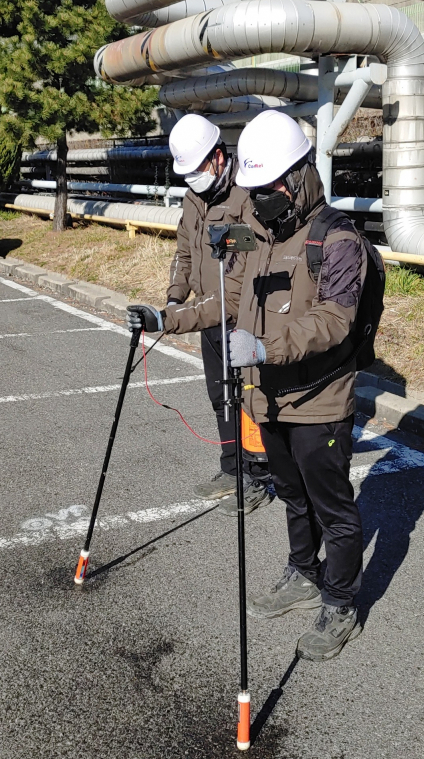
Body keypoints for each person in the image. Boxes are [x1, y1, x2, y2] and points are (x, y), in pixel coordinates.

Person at [225, 109, 369, 662]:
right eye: (254, 191)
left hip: (319, 399)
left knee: (332, 506)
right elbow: (234, 301)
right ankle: (303, 573)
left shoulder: (338, 241)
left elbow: (336, 320)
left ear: (302, 176)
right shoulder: (259, 237)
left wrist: (265, 349)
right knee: (291, 494)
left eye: (269, 188)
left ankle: (340, 602)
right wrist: (169, 320)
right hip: (269, 396)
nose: (260, 200)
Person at [127, 113, 271, 514]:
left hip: (243, 317)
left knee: (248, 399)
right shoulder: (194, 198)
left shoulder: (247, 196)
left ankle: (257, 477)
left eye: (197, 169)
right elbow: (184, 253)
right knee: (220, 394)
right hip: (208, 316)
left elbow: (240, 283)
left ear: (218, 158)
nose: (192, 179)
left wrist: (174, 319)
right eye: (185, 173)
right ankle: (231, 468)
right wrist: (174, 298)